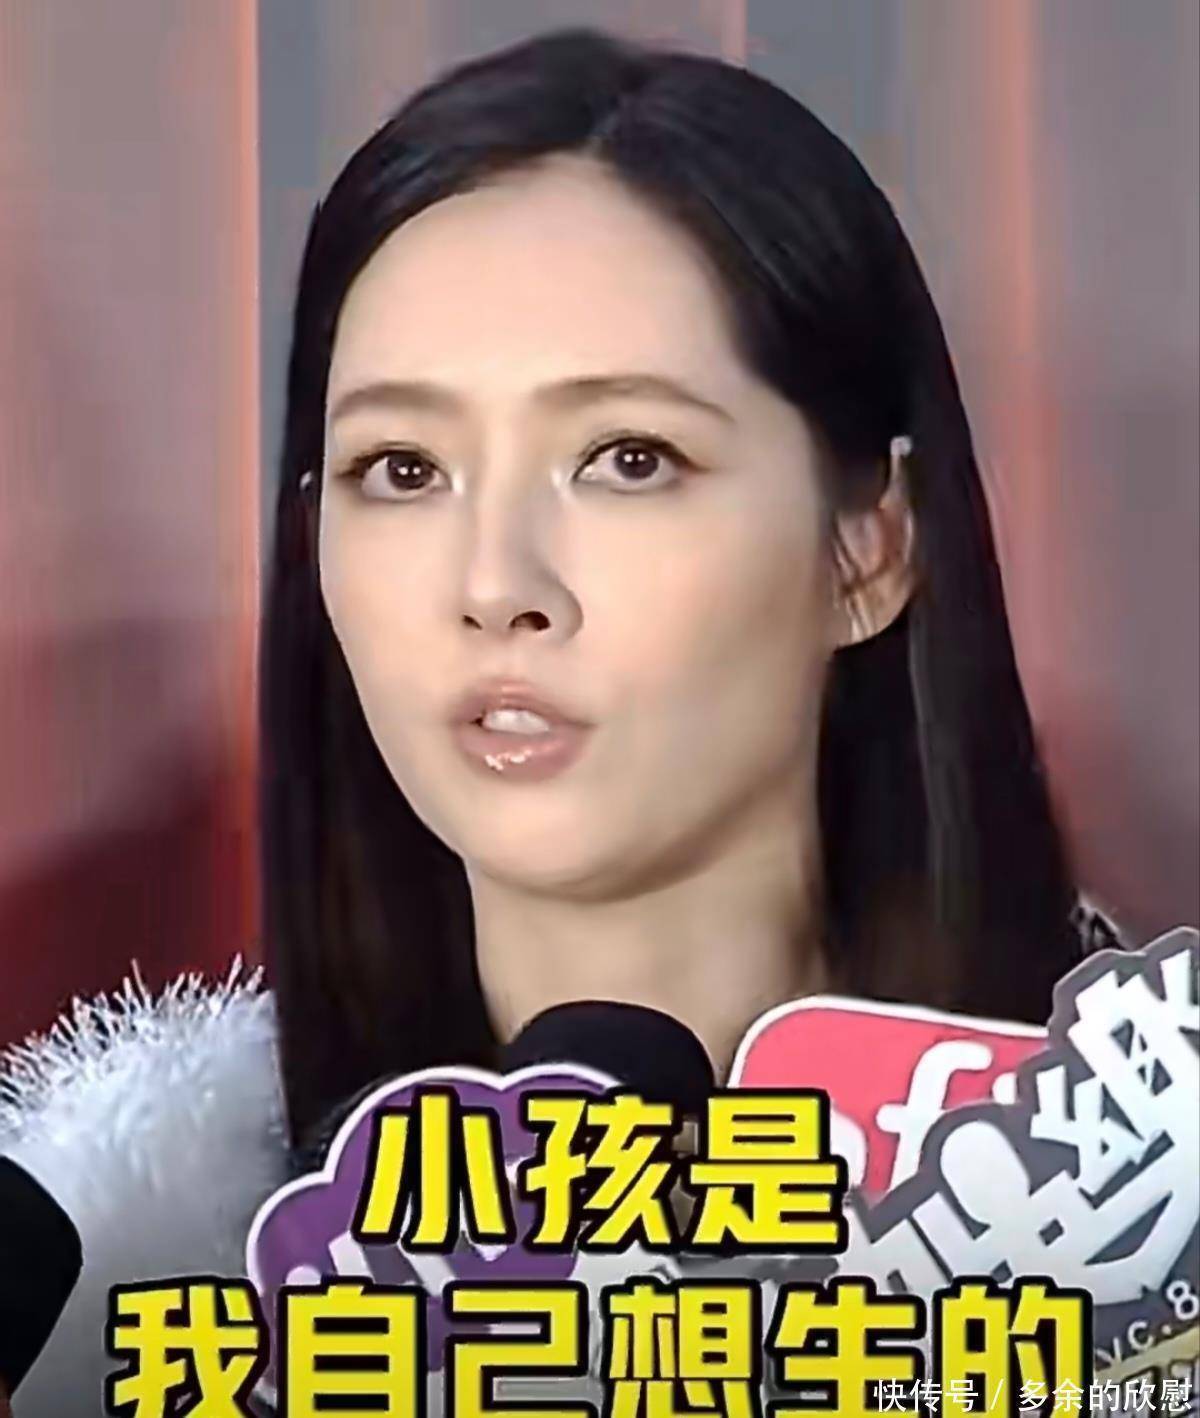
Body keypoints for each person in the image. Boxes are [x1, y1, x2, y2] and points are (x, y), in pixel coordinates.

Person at [0, 29, 1116, 1413]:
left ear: (870, 546)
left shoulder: (1129, 1217)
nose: (495, 586)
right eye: (402, 468)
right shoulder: (134, 1283)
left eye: (628, 458)